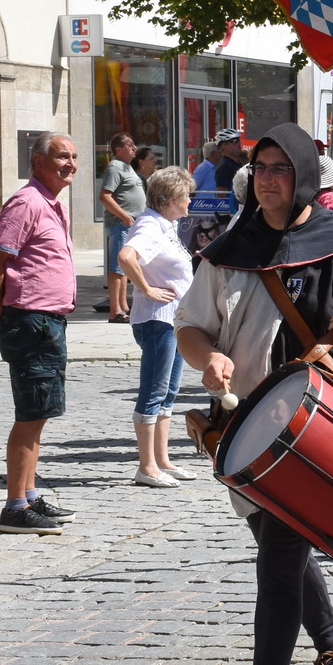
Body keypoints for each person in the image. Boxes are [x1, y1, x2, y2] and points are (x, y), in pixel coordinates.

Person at [175, 123, 333, 665]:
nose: (269, 178)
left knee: (277, 558)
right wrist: (208, 358)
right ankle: (332, 641)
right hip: (244, 431)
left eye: (281, 168)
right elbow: (192, 327)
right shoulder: (227, 249)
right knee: (279, 541)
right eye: (260, 167)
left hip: (316, 429)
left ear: (303, 175)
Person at [0, 133, 81, 533]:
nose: (70, 164)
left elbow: (23, 269)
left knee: (42, 411)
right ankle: (15, 508)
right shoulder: (27, 202)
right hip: (32, 322)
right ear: (38, 162)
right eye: (61, 156)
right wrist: (2, 308)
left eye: (74, 156)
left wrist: (2, 303)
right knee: (31, 414)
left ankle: (30, 495)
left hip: (44, 319)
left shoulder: (51, 203)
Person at [117, 166, 197, 488]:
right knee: (153, 392)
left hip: (173, 320)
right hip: (157, 321)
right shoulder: (150, 225)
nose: (191, 200)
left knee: (169, 392)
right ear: (169, 198)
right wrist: (146, 290)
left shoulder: (166, 224)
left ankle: (162, 460)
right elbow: (126, 257)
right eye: (186, 195)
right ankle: (146, 466)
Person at [99, 133, 144, 324]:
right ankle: (115, 310)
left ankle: (123, 307)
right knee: (117, 268)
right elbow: (105, 196)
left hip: (129, 224)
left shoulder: (127, 167)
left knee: (124, 268)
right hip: (120, 224)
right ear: (118, 149)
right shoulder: (115, 167)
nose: (134, 148)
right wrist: (124, 216)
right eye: (130, 145)